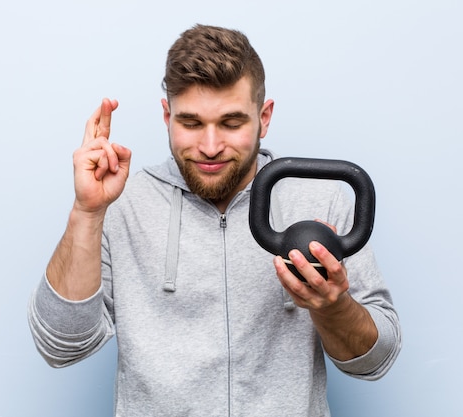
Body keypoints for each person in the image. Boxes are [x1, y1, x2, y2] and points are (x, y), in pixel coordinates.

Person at [28, 24, 401, 417]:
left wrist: (331, 306)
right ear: (167, 115)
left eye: (231, 123)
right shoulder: (123, 206)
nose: (209, 147)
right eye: (191, 123)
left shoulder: (318, 202)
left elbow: (375, 361)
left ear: (265, 117)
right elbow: (61, 347)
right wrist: (87, 212)